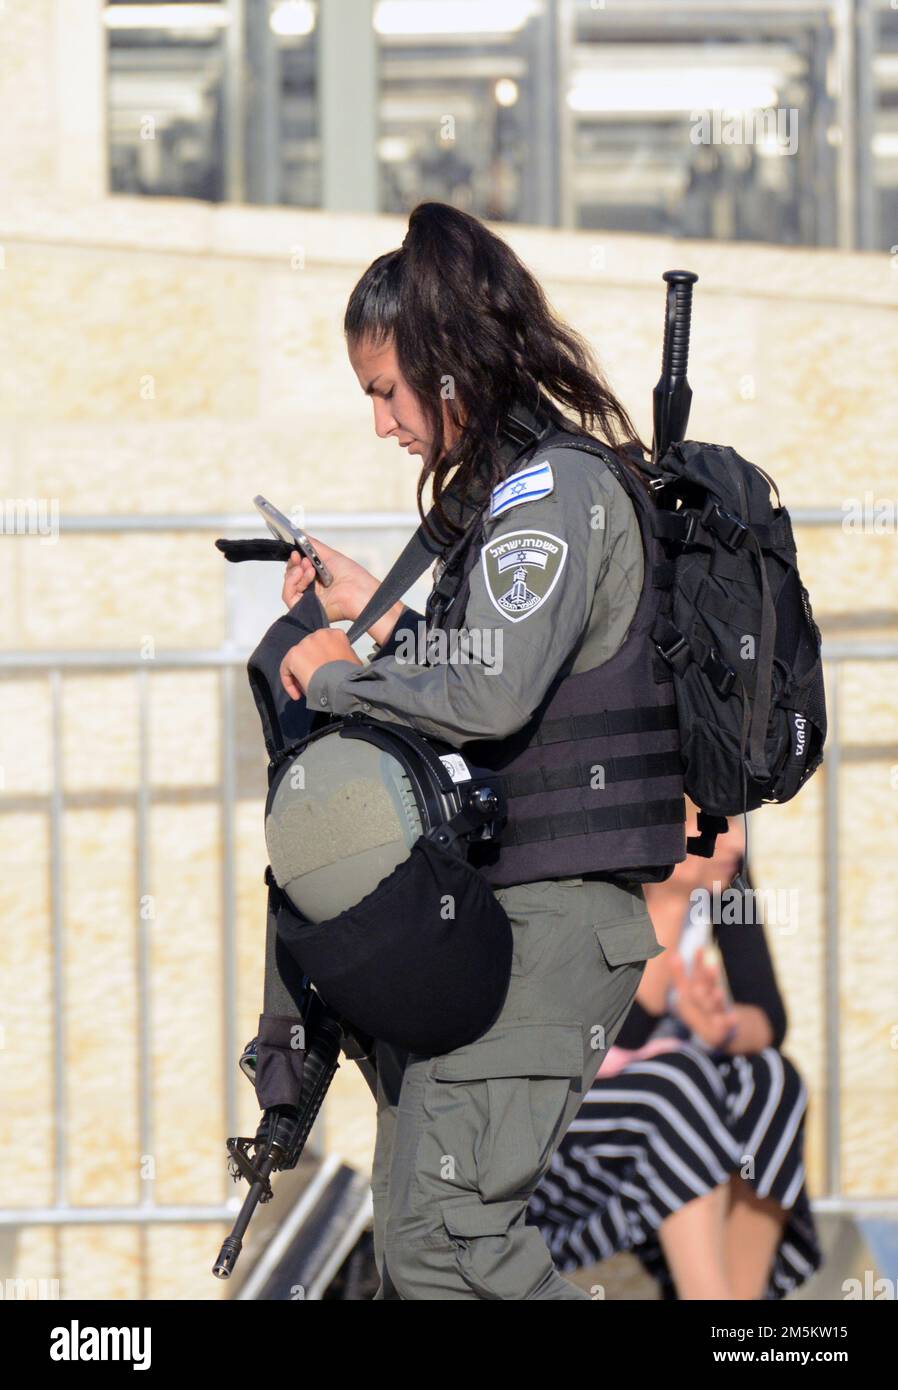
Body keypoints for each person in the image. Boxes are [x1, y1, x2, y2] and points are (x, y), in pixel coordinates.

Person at [276, 201, 686, 1300]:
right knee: (420, 1237)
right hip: (503, 918)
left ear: (447, 366)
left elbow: (493, 693)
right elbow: (510, 672)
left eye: (384, 391)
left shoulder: (553, 494)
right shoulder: (513, 498)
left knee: (450, 1236)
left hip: (552, 921)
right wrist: (380, 614)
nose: (381, 425)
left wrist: (333, 674)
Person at [528, 803, 823, 1300]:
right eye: (717, 829)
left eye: (738, 828)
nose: (737, 846)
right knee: (679, 1082)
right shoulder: (602, 883)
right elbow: (618, 1038)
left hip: (664, 1091)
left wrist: (721, 1028)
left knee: (773, 1080)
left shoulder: (726, 880)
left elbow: (768, 1017)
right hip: (562, 1112)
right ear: (660, 828)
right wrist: (670, 906)